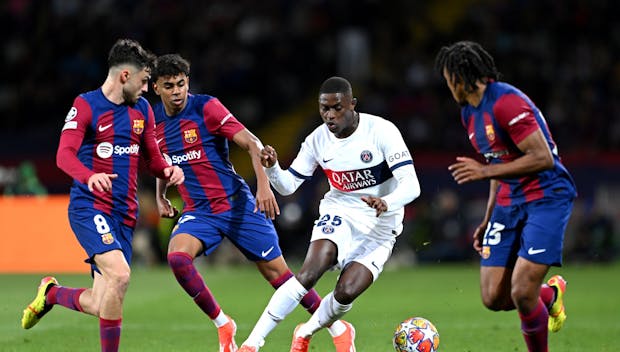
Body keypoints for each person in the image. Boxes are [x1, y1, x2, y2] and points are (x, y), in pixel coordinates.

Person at [150, 54, 355, 352]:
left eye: (181, 84)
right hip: (200, 211)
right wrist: (160, 196)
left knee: (281, 277)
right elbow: (161, 162)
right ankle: (224, 324)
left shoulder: (206, 107)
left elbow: (251, 142)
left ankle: (338, 326)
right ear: (156, 87)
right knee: (177, 259)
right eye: (169, 86)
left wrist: (263, 185)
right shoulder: (154, 123)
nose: (177, 91)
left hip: (237, 205)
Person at [21, 38, 185, 352]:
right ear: (125, 76)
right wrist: (89, 175)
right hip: (90, 207)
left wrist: (169, 171)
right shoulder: (86, 105)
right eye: (144, 80)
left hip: (125, 213)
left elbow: (152, 159)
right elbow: (64, 155)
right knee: (121, 275)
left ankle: (51, 293)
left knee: (101, 302)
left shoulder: (143, 112)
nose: (147, 88)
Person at [238, 76, 421, 352]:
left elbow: (412, 184)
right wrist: (273, 167)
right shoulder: (317, 140)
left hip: (381, 228)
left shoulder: (381, 131)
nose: (330, 115)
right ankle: (252, 343)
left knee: (346, 292)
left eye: (337, 108)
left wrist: (388, 201)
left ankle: (306, 330)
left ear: (352, 105)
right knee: (310, 272)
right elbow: (287, 186)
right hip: (340, 212)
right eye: (324, 108)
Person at [435, 41, 577, 352]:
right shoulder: (469, 114)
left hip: (546, 198)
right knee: (493, 298)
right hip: (508, 202)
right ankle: (550, 296)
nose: (448, 87)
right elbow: (497, 163)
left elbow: (543, 158)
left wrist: (484, 172)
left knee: (522, 292)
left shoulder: (506, 102)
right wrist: (486, 219)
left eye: (448, 80)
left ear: (459, 78)